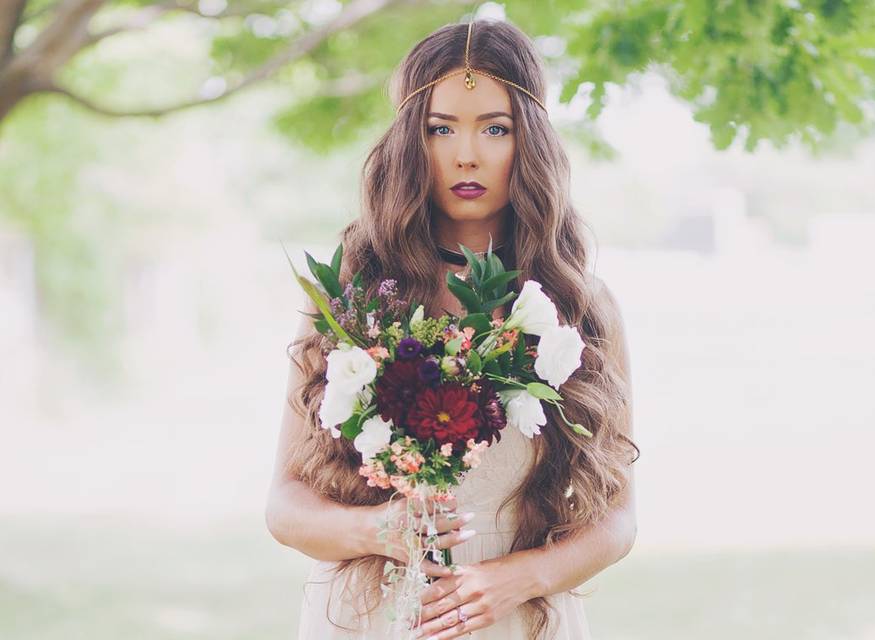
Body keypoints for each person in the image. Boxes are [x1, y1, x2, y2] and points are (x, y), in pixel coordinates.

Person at [266, 16, 640, 640]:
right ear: (413, 141)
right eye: (441, 129)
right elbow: (284, 506)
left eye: (496, 128)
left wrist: (521, 578)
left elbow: (620, 519)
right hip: (372, 612)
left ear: (532, 143)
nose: (467, 154)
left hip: (518, 615)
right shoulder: (352, 300)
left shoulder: (580, 305)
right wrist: (377, 529)